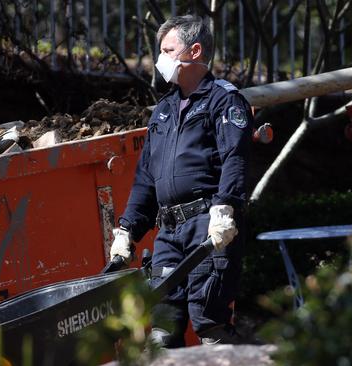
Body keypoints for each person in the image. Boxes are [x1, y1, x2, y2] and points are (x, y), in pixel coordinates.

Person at [109, 14, 253, 347]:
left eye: (167, 50)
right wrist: (127, 230)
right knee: (162, 329)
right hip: (169, 234)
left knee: (209, 322)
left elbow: (236, 157)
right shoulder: (162, 111)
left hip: (208, 226)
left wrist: (226, 208)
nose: (159, 59)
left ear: (194, 51)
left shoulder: (224, 101)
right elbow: (146, 178)